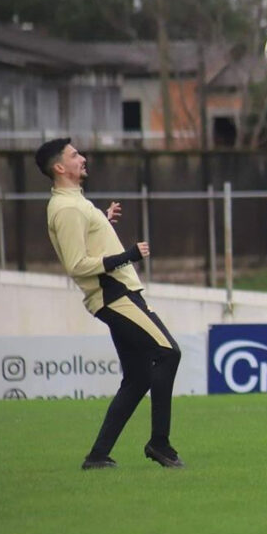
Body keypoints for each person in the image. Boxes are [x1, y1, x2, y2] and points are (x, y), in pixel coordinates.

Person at [36, 138, 184, 470]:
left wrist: (102, 219)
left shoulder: (72, 203)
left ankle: (98, 455)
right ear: (60, 167)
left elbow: (83, 240)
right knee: (168, 352)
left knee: (137, 378)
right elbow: (76, 265)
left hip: (116, 293)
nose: (83, 158)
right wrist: (127, 255)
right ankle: (159, 444)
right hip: (115, 294)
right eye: (75, 155)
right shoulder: (68, 208)